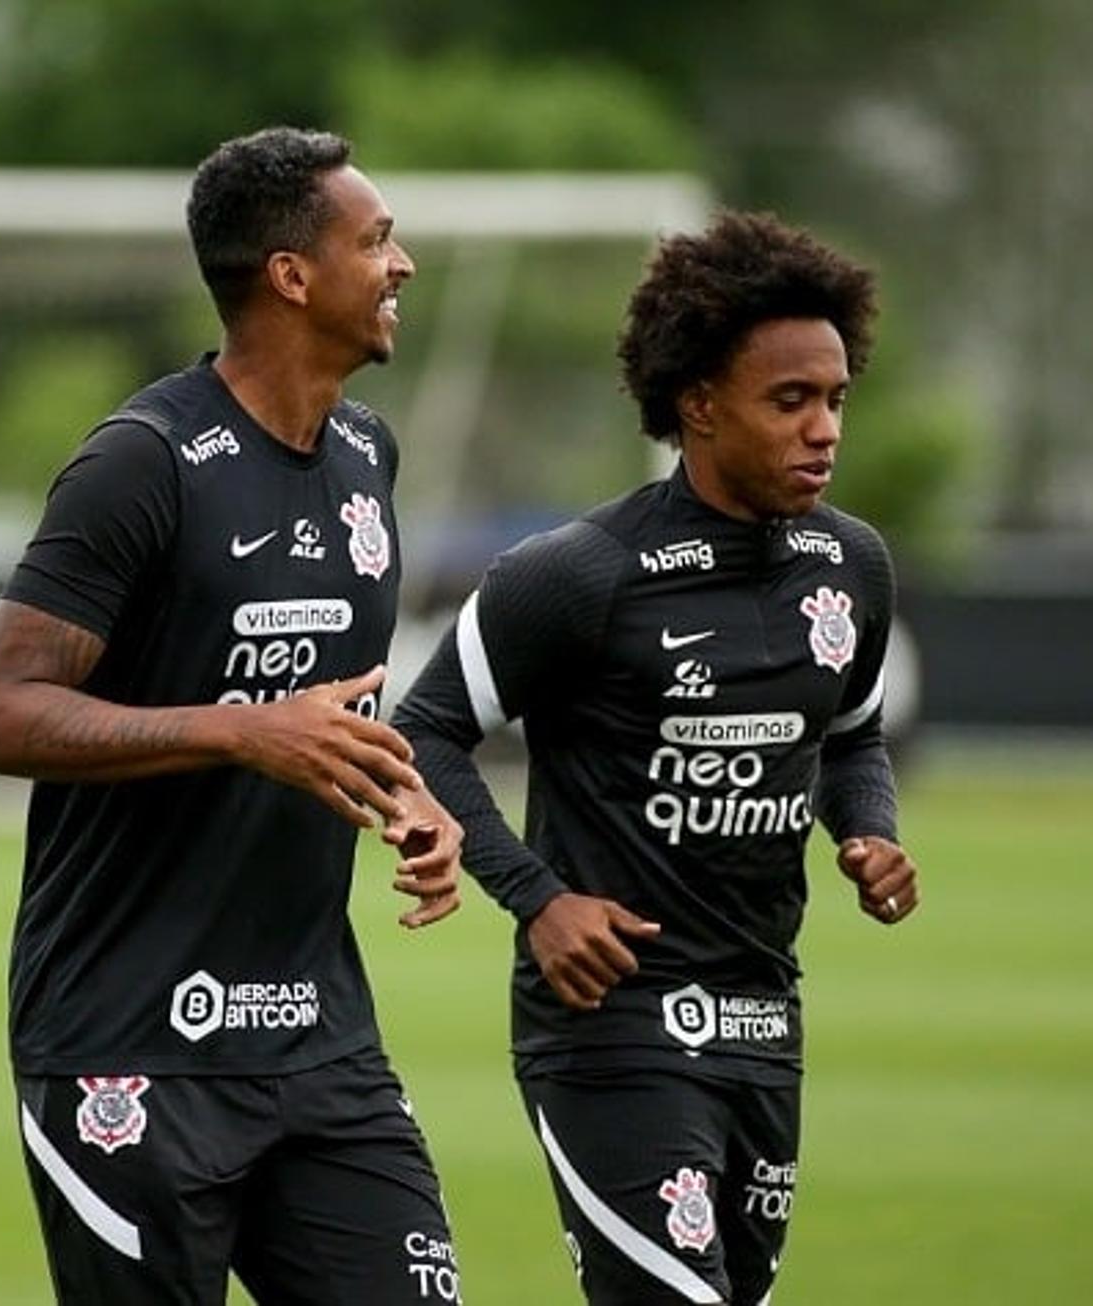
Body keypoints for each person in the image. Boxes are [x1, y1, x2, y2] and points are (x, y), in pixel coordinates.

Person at [0, 126, 467, 1305]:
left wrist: (404, 793)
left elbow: (322, 703)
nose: (404, 265)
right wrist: (238, 730)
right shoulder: (144, 462)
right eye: (376, 239)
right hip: (126, 1046)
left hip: (319, 1037)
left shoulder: (364, 453)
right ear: (291, 275)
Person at [393, 211, 921, 1305]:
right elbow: (425, 728)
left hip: (766, 1016)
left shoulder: (852, 566)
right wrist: (537, 899)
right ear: (698, 405)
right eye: (790, 402)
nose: (824, 429)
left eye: (834, 400)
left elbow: (853, 734)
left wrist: (868, 828)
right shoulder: (579, 574)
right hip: (613, 1024)